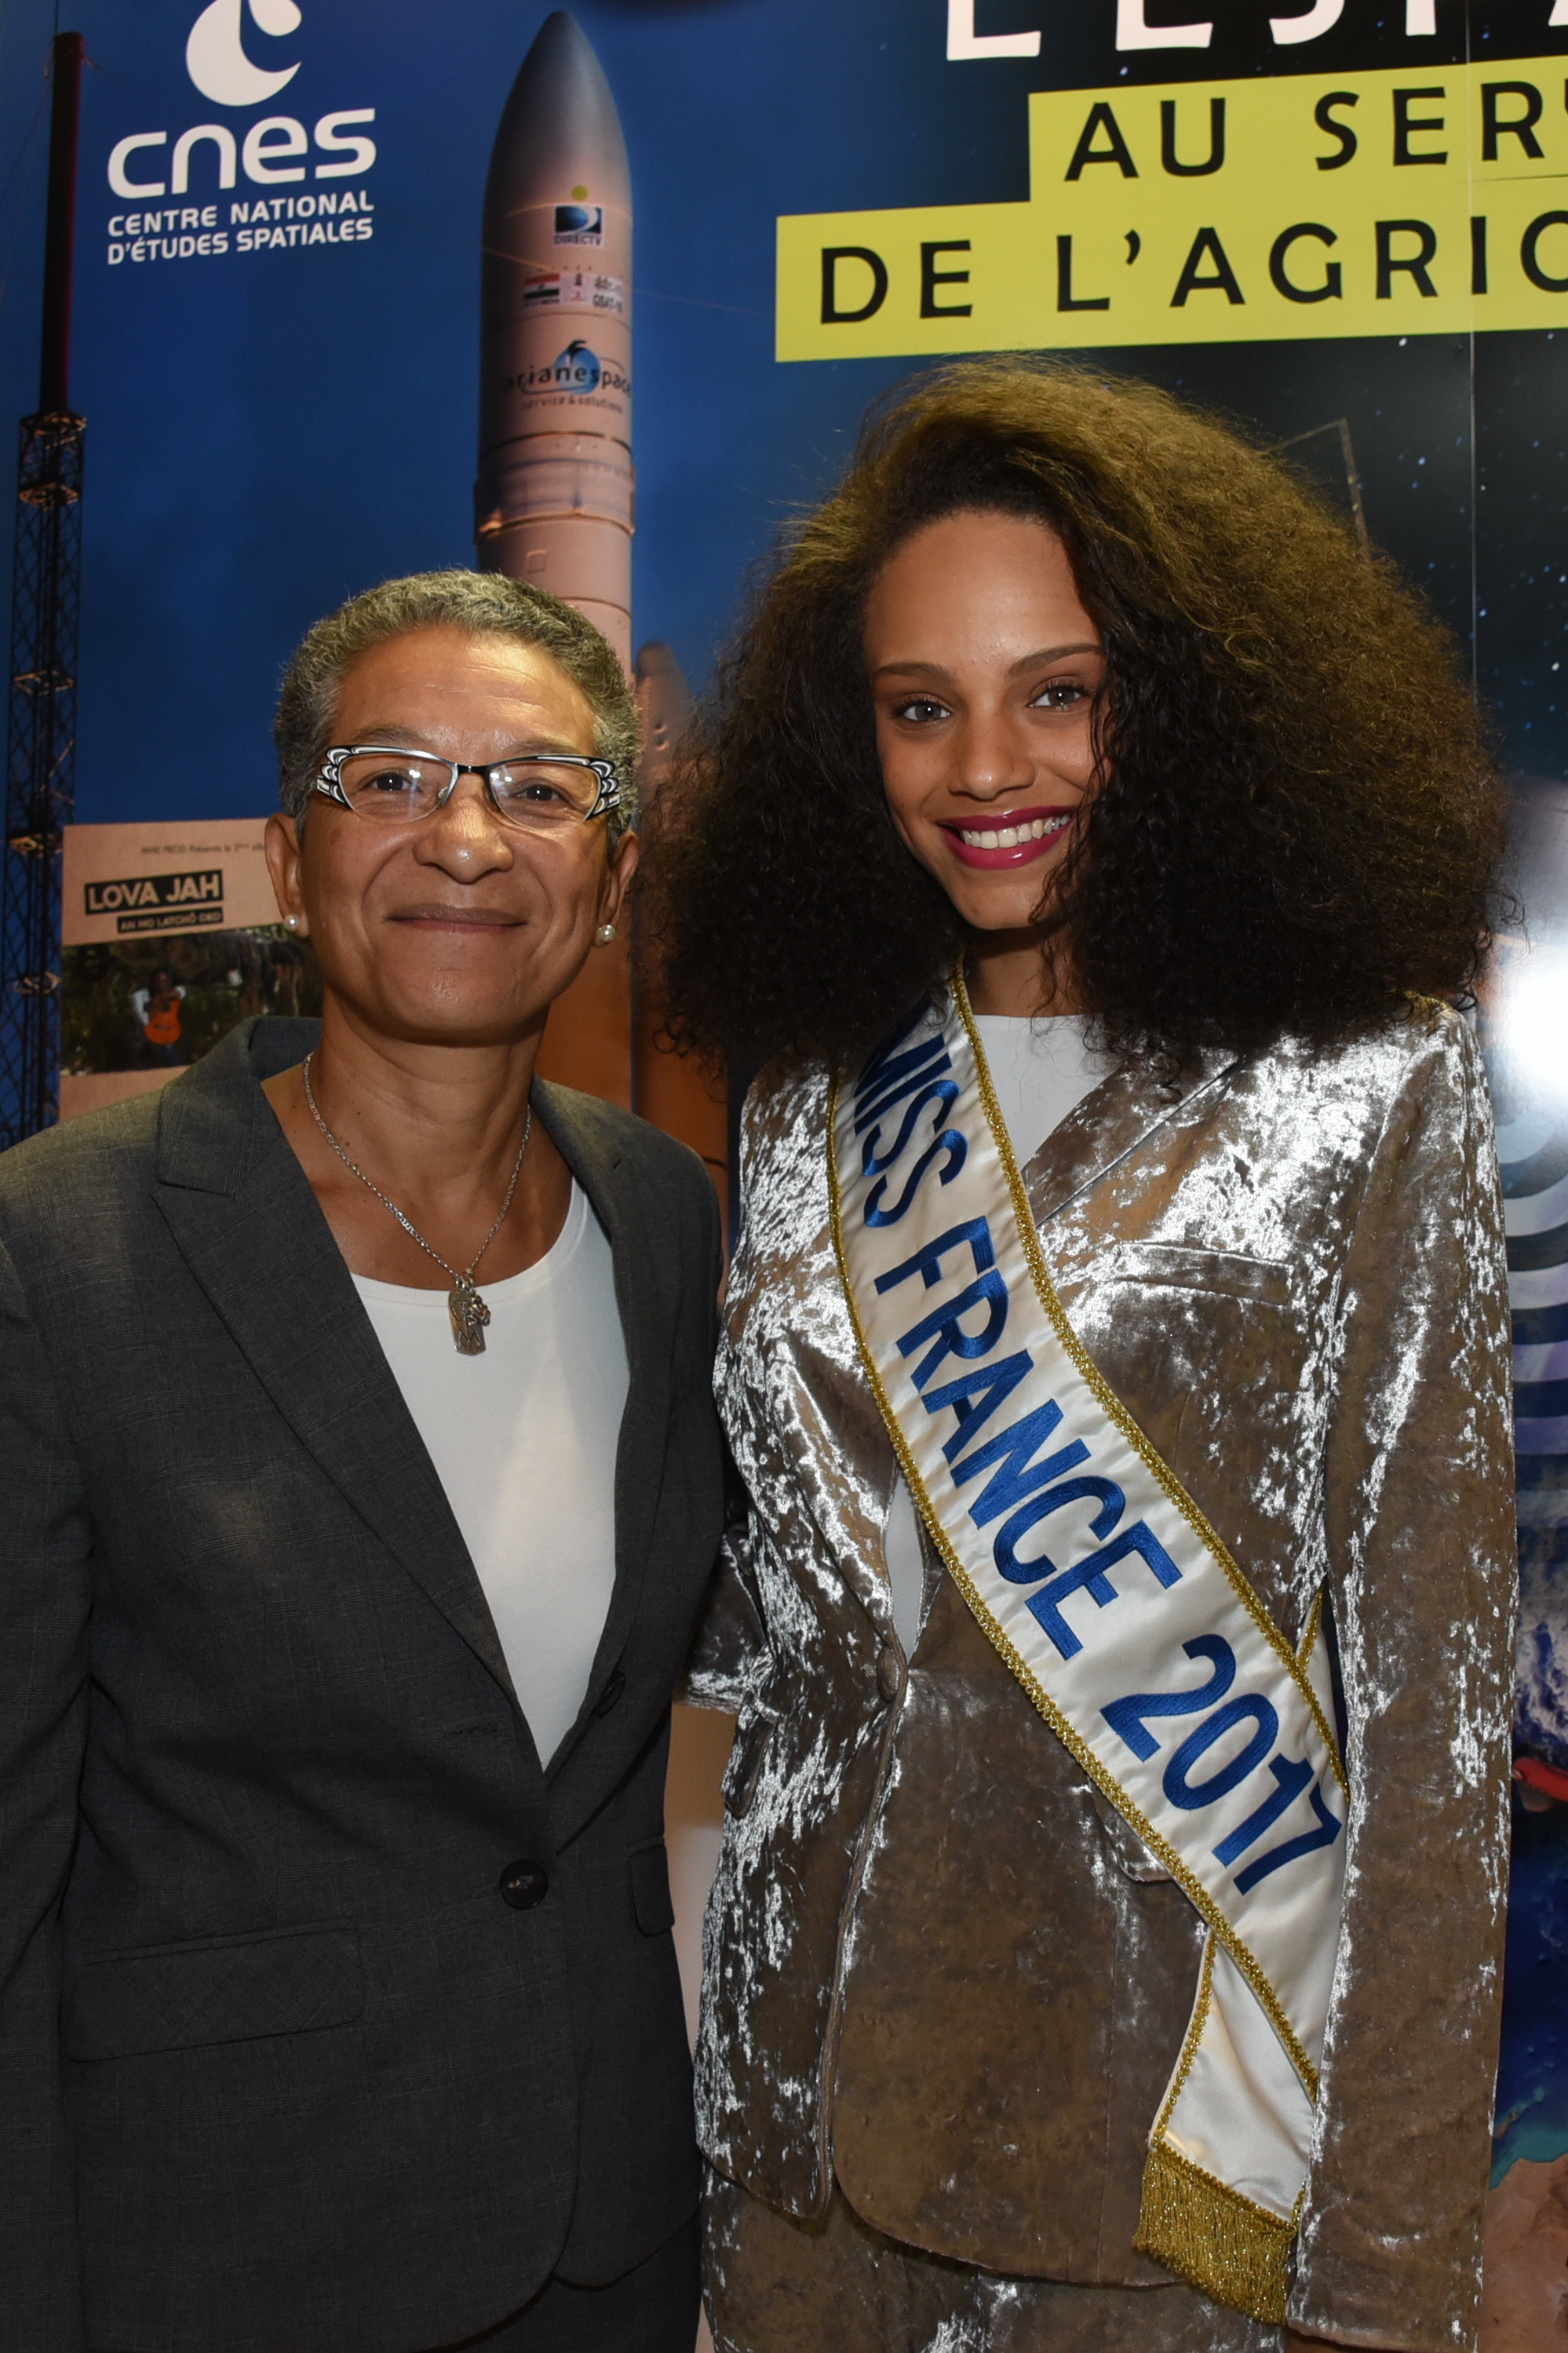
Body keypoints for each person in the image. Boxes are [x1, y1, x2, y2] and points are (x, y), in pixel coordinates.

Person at [644, 363, 1518, 2353]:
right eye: (916, 705)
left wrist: (1381, 2282)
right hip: (800, 2159)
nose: (982, 765)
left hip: (1167, 2188)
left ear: (1180, 705)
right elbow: (774, 1633)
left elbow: (1433, 1746)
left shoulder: (1360, 1090)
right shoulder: (811, 1089)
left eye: (1060, 689)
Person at [0, 570, 724, 2353]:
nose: (465, 836)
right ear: (283, 852)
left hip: (606, 2253)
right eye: (389, 777)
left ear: (614, 871)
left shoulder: (660, 1213)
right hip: (229, 2260)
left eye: (540, 787)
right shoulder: (60, 1249)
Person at [129, 964, 188, 1063]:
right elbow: (144, 1021)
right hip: (148, 1040)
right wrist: (157, 1002)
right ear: (152, 981)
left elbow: (181, 991)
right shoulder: (139, 997)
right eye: (159, 981)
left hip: (168, 1039)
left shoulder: (168, 994)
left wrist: (162, 996)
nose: (162, 984)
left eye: (165, 981)